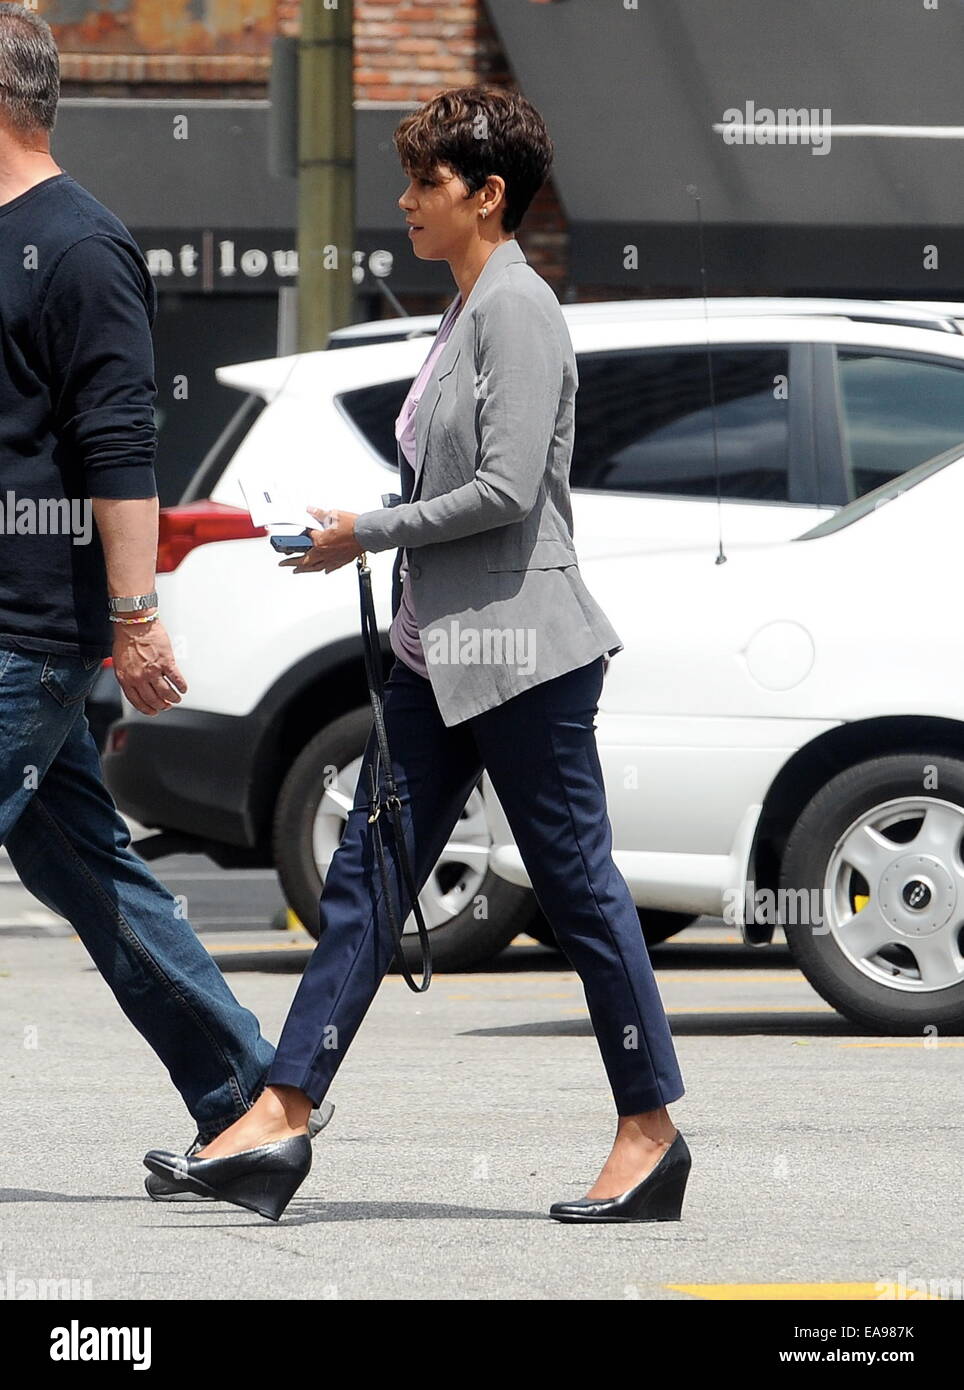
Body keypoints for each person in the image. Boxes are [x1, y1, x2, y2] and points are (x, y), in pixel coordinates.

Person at [145, 85, 691, 1224]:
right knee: (365, 885)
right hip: (434, 654)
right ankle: (280, 1118)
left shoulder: (519, 309)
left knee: (580, 892)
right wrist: (364, 538)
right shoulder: (465, 307)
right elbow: (449, 482)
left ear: (487, 196)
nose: (402, 203)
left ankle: (649, 1133)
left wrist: (362, 531)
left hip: (523, 656)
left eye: (423, 184)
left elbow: (499, 493)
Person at [0, 2, 332, 1188]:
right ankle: (251, 1106)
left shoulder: (81, 247)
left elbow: (118, 447)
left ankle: (256, 1105)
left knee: (82, 867)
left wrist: (134, 620)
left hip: (25, 632)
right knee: (85, 868)